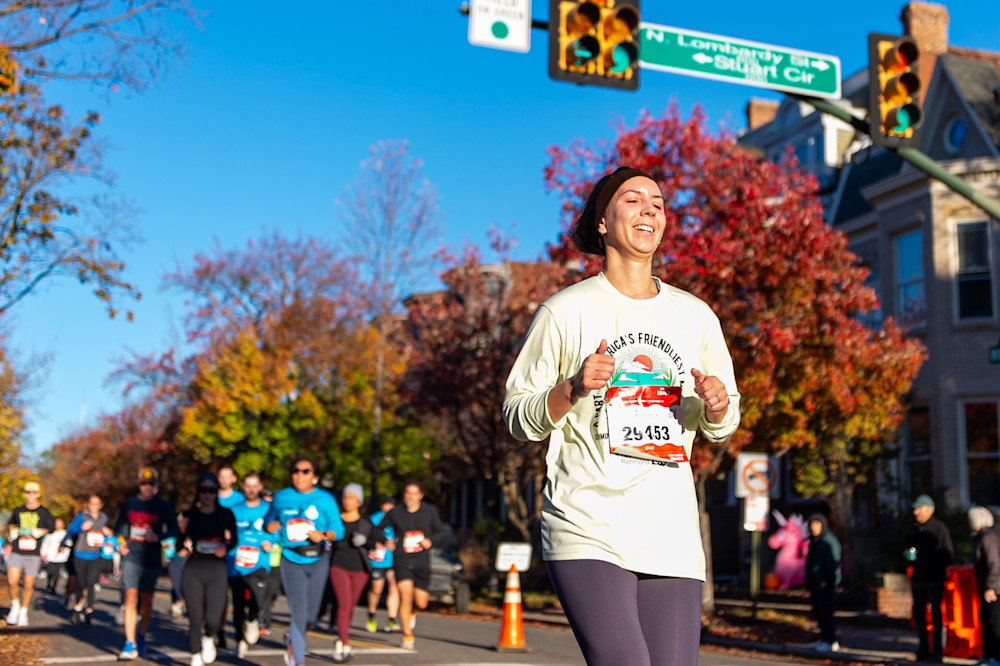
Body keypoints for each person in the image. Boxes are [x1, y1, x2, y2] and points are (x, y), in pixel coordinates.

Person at [503, 166, 741, 666]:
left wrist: (718, 404)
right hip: (588, 526)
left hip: (670, 531)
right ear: (603, 222)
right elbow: (518, 415)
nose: (648, 208)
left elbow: (722, 423)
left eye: (657, 202)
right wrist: (572, 388)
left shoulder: (696, 316)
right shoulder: (565, 311)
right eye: (632, 200)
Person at [264, 456, 344, 666]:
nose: (300, 475)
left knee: (311, 617)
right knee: (299, 612)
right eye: (296, 471)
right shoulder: (281, 497)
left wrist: (324, 534)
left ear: (315, 478)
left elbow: (339, 530)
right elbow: (269, 520)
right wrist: (269, 526)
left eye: (305, 471)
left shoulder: (325, 499)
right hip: (291, 558)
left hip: (318, 559)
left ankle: (292, 637)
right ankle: (298, 660)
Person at [113, 466, 179, 660]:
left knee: (147, 600)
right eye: (144, 484)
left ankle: (141, 634)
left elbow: (174, 528)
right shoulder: (129, 504)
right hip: (132, 557)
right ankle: (129, 643)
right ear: (138, 485)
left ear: (156, 486)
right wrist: (121, 542)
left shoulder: (162, 506)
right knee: (131, 598)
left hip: (151, 558)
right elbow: (119, 528)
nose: (147, 487)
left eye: (151, 484)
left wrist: (159, 536)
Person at [377, 480, 447, 651]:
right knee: (405, 597)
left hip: (422, 561)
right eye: (408, 493)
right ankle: (407, 634)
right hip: (402, 560)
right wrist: (386, 540)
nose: (410, 497)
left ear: (420, 496)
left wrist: (430, 541)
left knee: (421, 602)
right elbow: (378, 530)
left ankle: (412, 611)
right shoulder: (396, 512)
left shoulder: (429, 512)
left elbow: (441, 532)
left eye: (414, 494)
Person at [178, 473, 238, 666]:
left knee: (213, 618)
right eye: (203, 490)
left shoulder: (225, 514)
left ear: (216, 492)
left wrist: (225, 548)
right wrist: (180, 531)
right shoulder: (190, 515)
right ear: (198, 492)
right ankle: (195, 655)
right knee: (195, 617)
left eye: (211, 490)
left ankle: (209, 637)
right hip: (194, 567)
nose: (207, 494)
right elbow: (178, 546)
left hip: (216, 568)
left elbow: (234, 540)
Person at [328, 483, 376, 662]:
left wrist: (365, 541)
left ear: (359, 502)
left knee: (350, 606)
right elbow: (327, 538)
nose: (348, 501)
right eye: (346, 497)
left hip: (360, 569)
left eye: (352, 498)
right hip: (338, 565)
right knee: (344, 603)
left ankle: (340, 636)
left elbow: (375, 541)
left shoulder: (365, 522)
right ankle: (344, 643)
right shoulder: (336, 520)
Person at [227, 472, 273, 659]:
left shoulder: (269, 509)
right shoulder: (234, 510)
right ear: (242, 487)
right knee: (238, 604)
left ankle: (253, 619)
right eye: (248, 486)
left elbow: (277, 529)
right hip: (237, 563)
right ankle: (240, 640)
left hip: (260, 563)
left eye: (255, 486)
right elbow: (226, 533)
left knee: (257, 600)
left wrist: (271, 541)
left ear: (260, 487)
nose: (252, 490)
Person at [906, 494, 954, 663]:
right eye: (915, 509)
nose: (916, 512)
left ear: (929, 509)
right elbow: (908, 550)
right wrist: (908, 556)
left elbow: (947, 554)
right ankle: (923, 650)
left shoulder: (939, 528)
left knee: (936, 616)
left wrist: (930, 562)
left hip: (934, 578)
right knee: (919, 615)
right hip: (918, 578)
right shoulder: (914, 529)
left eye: (919, 509)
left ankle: (937, 652)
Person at [4, 481, 56, 627]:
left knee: (28, 584)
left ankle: (23, 611)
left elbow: (51, 527)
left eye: (33, 493)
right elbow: (11, 524)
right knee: (12, 581)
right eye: (28, 493)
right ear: (25, 494)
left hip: (33, 553)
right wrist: (12, 531)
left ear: (38, 494)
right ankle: (15, 606)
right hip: (17, 550)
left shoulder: (44, 512)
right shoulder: (18, 510)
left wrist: (42, 531)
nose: (31, 495)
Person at [65, 495, 114, 625]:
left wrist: (108, 533)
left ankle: (89, 610)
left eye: (96, 504)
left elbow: (108, 534)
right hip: (80, 554)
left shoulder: (104, 518)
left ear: (100, 506)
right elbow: (70, 530)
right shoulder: (82, 517)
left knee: (91, 583)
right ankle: (77, 609)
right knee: (81, 583)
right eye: (91, 503)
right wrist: (81, 528)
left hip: (96, 555)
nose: (93, 506)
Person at [804, 513, 841, 653]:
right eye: (812, 525)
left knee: (826, 612)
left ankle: (830, 640)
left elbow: (833, 562)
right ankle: (824, 638)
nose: (814, 528)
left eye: (817, 524)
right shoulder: (814, 541)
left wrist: (827, 579)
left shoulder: (828, 541)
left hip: (825, 583)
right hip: (815, 582)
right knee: (818, 612)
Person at [969, 506, 1000, 666]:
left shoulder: (988, 537)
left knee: (995, 623)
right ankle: (988, 656)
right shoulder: (981, 536)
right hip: (986, 587)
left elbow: (994, 563)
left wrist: (990, 587)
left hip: (994, 589)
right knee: (986, 622)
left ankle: (997, 657)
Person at [366, 496, 401, 633]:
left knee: (394, 586)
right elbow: (369, 534)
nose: (388, 508)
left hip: (394, 559)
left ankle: (392, 619)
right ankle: (371, 613)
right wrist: (380, 541)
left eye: (391, 505)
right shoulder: (375, 518)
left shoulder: (398, 517)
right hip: (378, 560)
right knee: (377, 589)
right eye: (386, 505)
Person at [40, 517, 70, 593]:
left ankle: (54, 587)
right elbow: (45, 544)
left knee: (57, 573)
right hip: (50, 557)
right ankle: (49, 583)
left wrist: (64, 549)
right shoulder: (50, 534)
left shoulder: (66, 534)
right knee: (51, 571)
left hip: (61, 557)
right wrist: (43, 554)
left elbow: (69, 544)